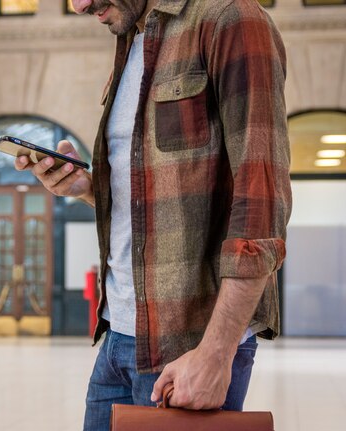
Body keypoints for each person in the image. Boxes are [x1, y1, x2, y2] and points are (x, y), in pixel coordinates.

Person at [15, 0, 292, 429]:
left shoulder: (230, 19)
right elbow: (155, 194)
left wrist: (216, 354)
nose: (80, 5)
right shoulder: (131, 37)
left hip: (188, 346)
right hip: (116, 338)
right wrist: (87, 189)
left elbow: (262, 200)